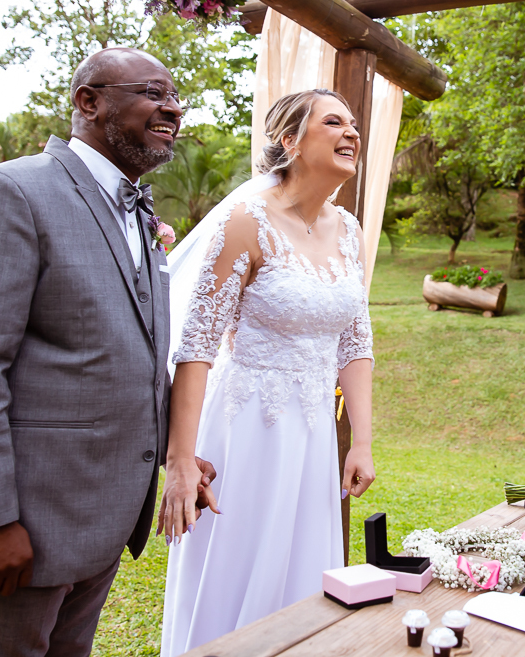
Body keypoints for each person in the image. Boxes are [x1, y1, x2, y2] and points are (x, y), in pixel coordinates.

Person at [0, 48, 218, 657]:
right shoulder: (9, 191)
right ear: (88, 101)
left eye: (175, 98)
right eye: (152, 92)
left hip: (97, 520)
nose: (172, 107)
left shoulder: (138, 213)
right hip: (19, 526)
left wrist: (177, 451)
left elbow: (122, 358)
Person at [160, 89, 376, 656]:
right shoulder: (244, 223)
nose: (352, 132)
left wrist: (362, 443)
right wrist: (181, 459)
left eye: (354, 123)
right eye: (335, 122)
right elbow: (197, 348)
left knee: (305, 572)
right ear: (290, 141)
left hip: (313, 436)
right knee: (241, 563)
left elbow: (355, 341)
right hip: (247, 427)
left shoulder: (350, 231)